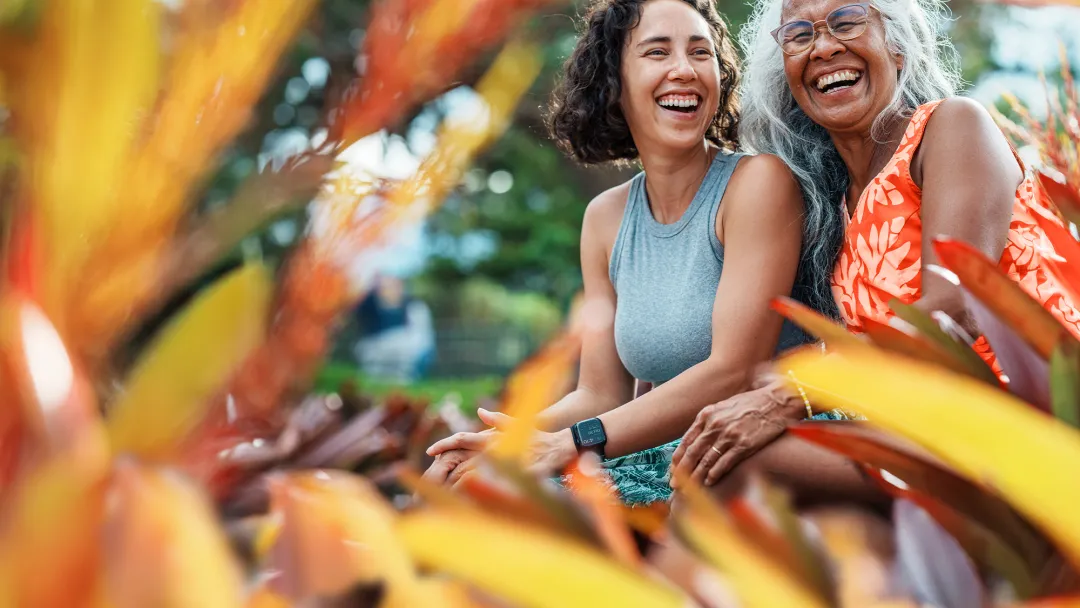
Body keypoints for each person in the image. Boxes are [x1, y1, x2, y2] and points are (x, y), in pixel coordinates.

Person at [423, 0, 843, 505]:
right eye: (657, 52)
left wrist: (567, 444)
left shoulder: (758, 184)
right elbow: (601, 393)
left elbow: (734, 369)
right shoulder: (604, 218)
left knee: (516, 513)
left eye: (700, 52)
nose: (683, 70)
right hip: (656, 453)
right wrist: (507, 442)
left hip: (748, 452)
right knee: (458, 482)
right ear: (614, 82)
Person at [671, 0, 1080, 502]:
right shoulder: (831, 209)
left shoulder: (951, 127)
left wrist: (790, 395)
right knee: (708, 457)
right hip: (924, 436)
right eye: (799, 36)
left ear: (899, 47)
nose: (823, 47)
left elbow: (954, 309)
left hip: (1026, 428)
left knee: (730, 468)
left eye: (847, 22)